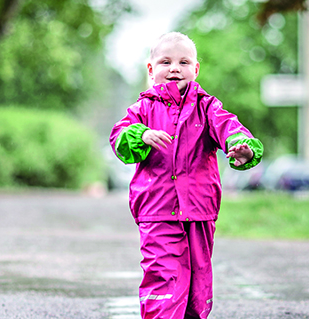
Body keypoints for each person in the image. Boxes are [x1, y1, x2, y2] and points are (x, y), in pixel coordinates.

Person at [109, 32, 263, 319]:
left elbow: (230, 128)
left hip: (200, 210)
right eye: (165, 62)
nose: (175, 68)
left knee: (197, 285)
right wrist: (141, 134)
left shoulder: (207, 108)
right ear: (151, 69)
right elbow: (119, 138)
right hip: (158, 210)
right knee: (165, 277)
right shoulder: (142, 109)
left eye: (183, 62)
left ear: (196, 69)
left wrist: (244, 149)